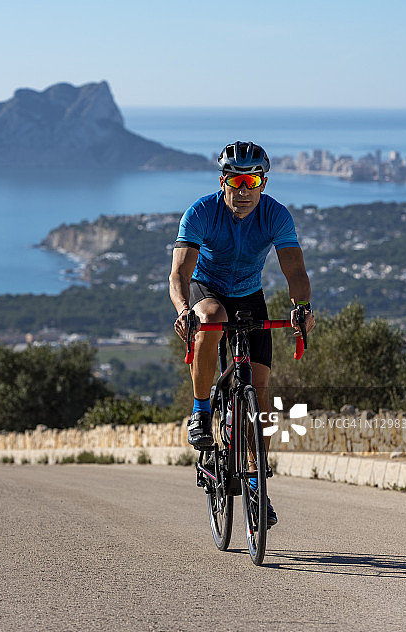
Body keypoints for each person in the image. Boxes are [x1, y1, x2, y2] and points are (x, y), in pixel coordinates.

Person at [169, 140, 315, 528]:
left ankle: (255, 483)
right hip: (207, 289)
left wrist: (302, 308)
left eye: (253, 181)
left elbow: (295, 272)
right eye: (236, 181)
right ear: (223, 182)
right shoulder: (201, 212)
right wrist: (184, 311)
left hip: (250, 295)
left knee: (260, 390)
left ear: (263, 183)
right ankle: (201, 410)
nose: (244, 190)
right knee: (212, 317)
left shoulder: (275, 215)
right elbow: (179, 274)